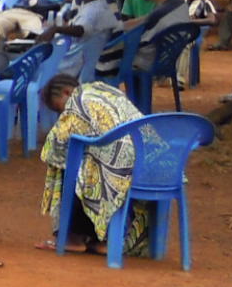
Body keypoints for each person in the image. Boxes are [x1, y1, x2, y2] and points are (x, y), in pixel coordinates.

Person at [39, 70, 150, 252]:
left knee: (66, 168)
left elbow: (55, 145)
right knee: (90, 164)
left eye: (60, 109)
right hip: (151, 163)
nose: (62, 115)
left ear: (67, 93)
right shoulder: (106, 90)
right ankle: (104, 240)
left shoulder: (77, 101)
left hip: (118, 171)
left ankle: (71, 237)